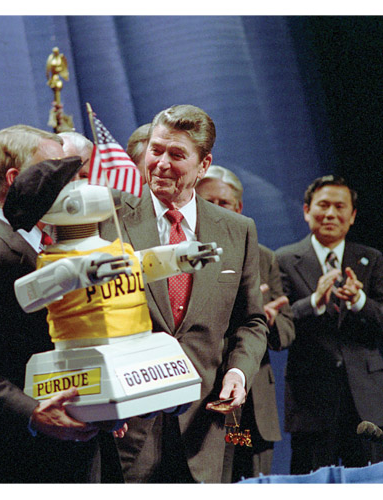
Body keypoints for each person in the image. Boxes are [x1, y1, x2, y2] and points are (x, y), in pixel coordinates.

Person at [99, 104, 268, 483]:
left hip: (204, 432)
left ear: (203, 165)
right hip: (127, 430)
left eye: (176, 155)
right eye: (156, 150)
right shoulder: (107, 218)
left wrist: (240, 371)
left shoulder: (237, 230)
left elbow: (251, 321)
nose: (160, 163)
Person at [0, 125, 103, 483]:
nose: (70, 183)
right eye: (55, 170)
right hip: (27, 461)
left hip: (82, 449)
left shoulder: (59, 243)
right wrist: (33, 413)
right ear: (17, 179)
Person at [276, 175, 383, 474]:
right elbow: (278, 323)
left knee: (370, 483)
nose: (331, 214)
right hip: (311, 401)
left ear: (352, 216)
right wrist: (314, 302)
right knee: (309, 485)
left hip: (367, 401)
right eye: (323, 205)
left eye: (340, 206)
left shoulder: (371, 259)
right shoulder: (284, 260)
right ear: (307, 210)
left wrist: (360, 301)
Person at [195, 165, 295, 481]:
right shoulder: (182, 253)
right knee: (217, 481)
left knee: (253, 481)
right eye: (209, 201)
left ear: (238, 209)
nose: (217, 209)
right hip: (205, 401)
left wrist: (265, 316)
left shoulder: (263, 257)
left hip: (251, 408)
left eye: (225, 203)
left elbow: (285, 335)